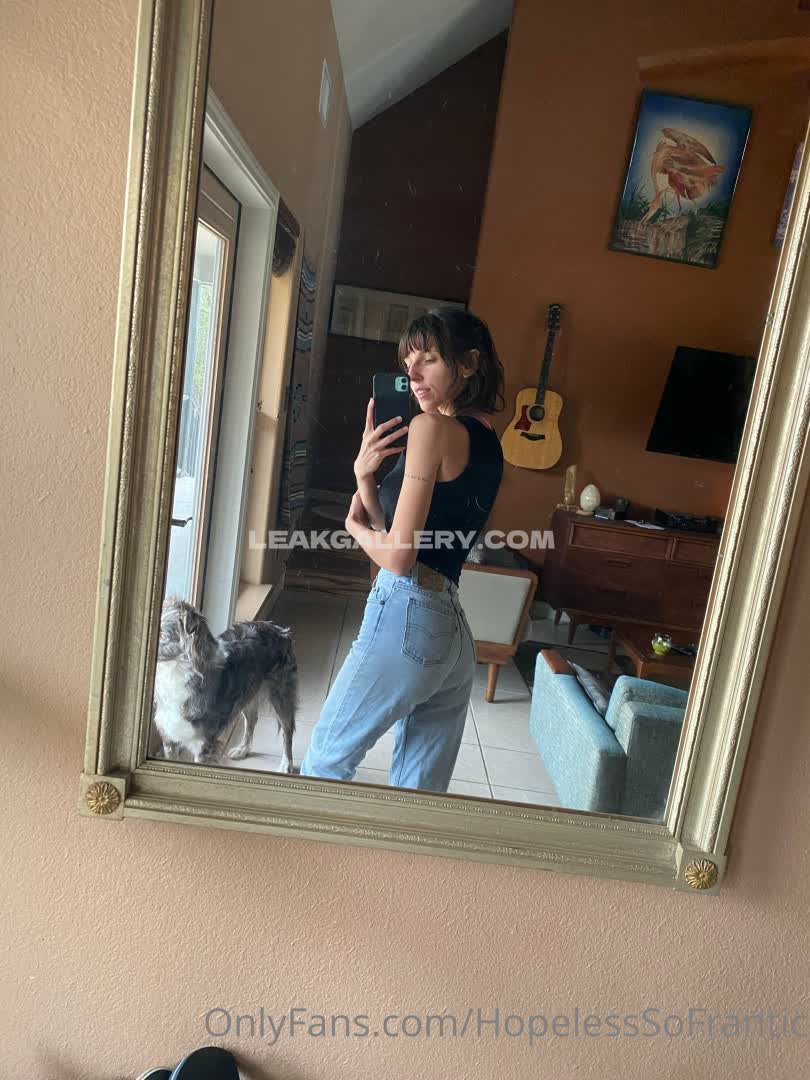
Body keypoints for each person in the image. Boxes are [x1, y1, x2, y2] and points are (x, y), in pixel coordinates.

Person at [299, 306, 505, 792]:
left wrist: (351, 528)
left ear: (469, 363)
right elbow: (395, 532)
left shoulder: (430, 428)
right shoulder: (489, 440)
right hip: (452, 633)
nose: (412, 375)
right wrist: (364, 478)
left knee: (324, 763)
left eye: (428, 359)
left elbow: (397, 556)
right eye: (407, 362)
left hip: (409, 610)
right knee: (419, 792)